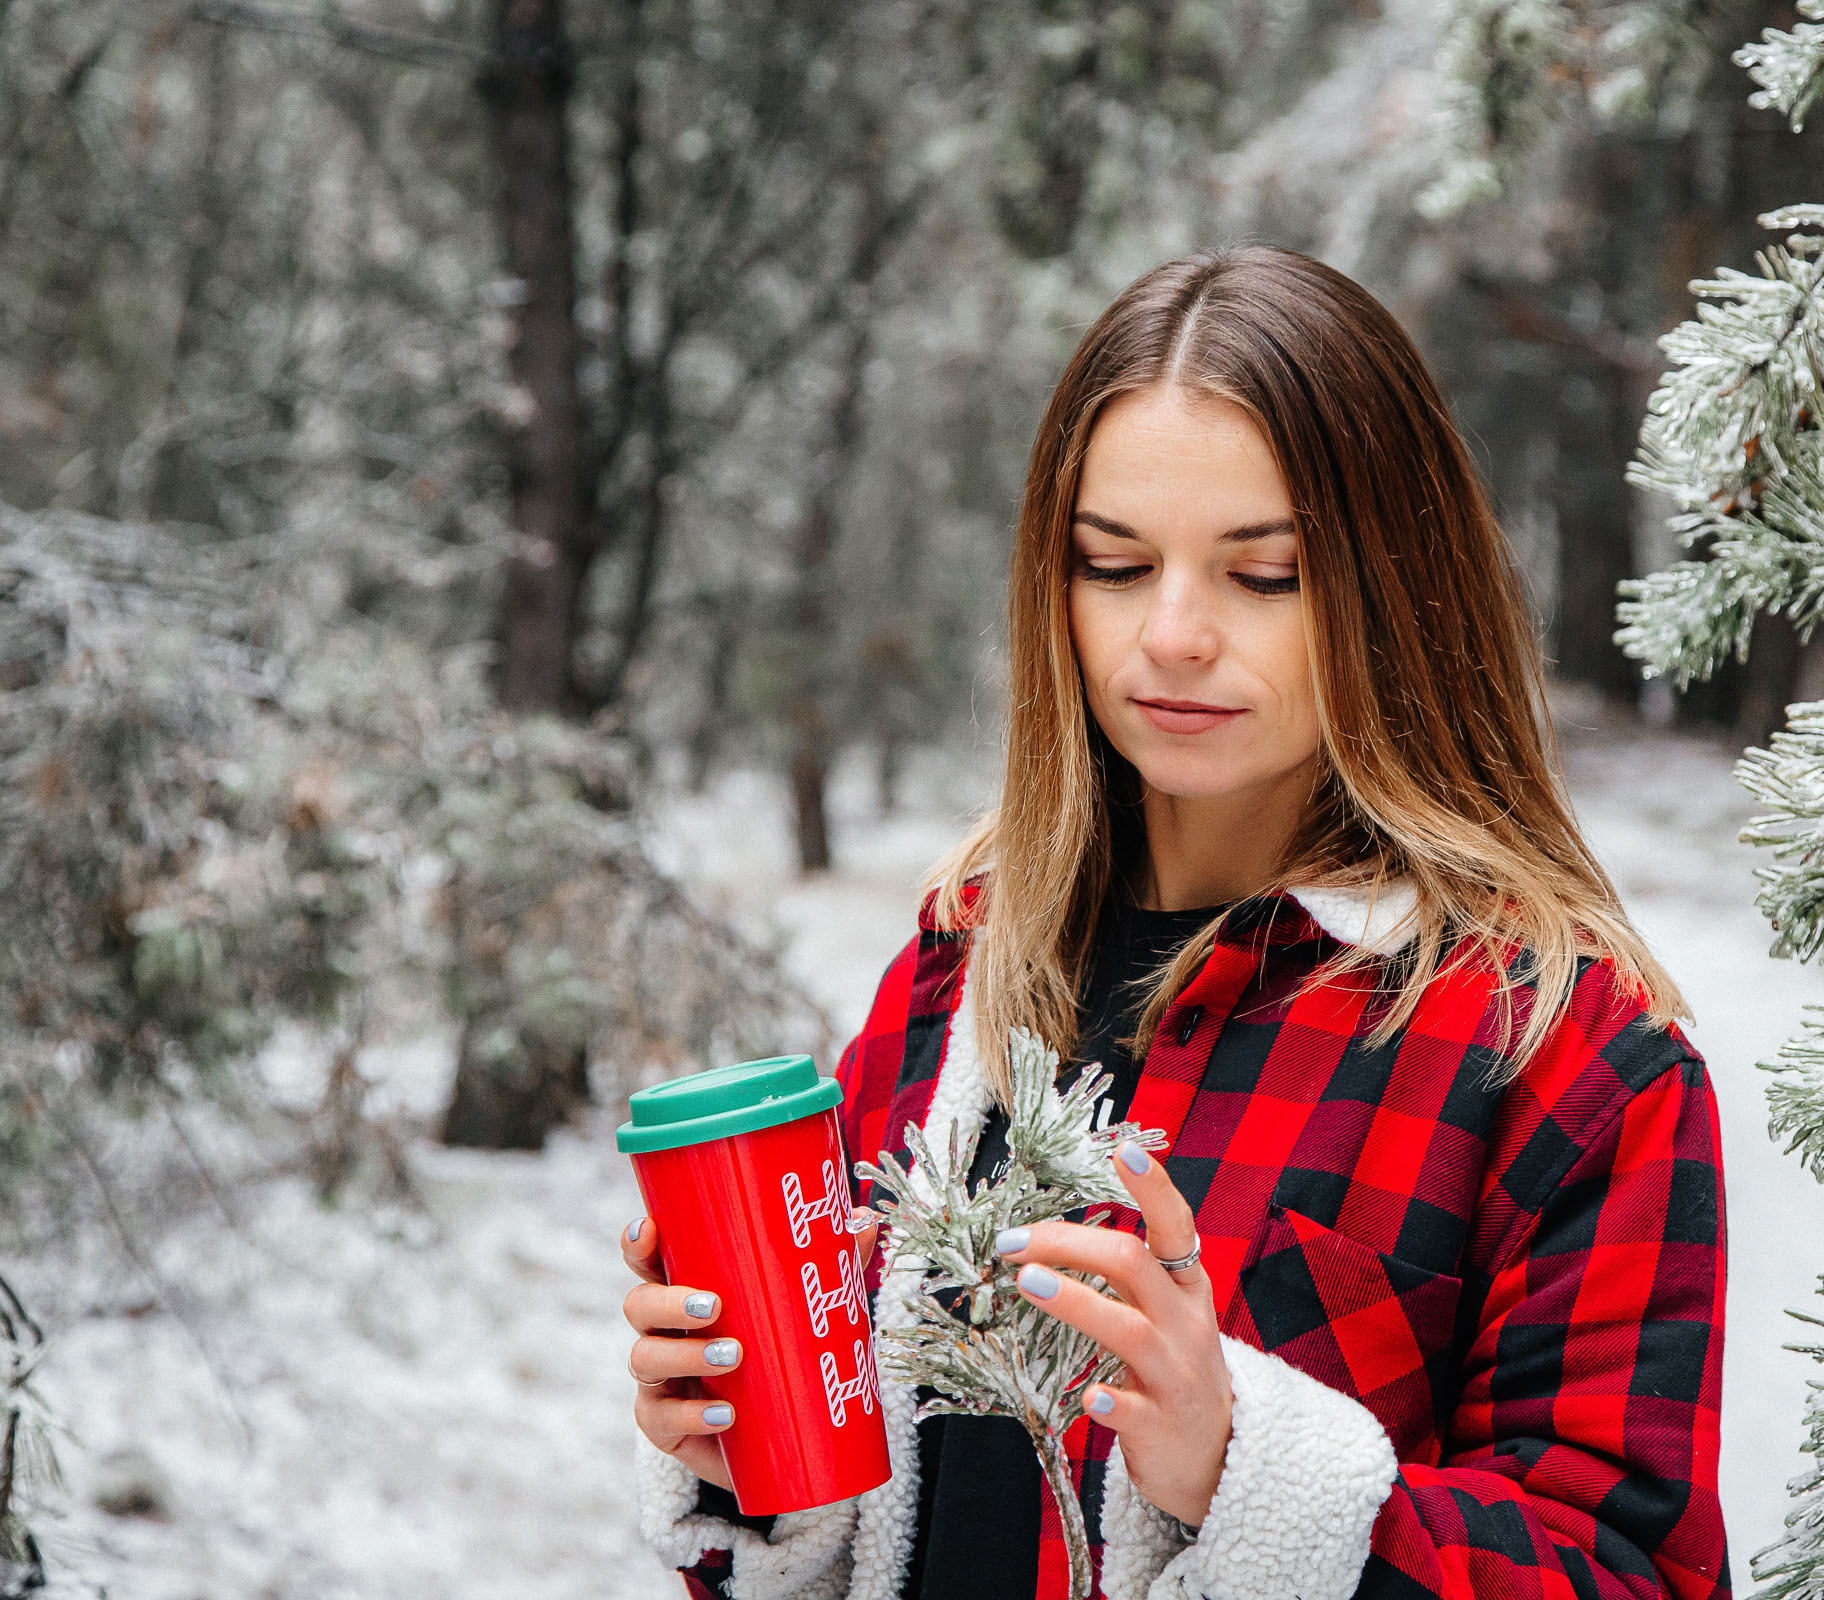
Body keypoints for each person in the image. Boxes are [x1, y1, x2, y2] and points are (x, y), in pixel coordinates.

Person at [619, 243, 1731, 1600]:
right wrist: (755, 1484)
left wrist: (1248, 1480)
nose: (1175, 635)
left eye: (1264, 575)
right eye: (1114, 564)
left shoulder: (1562, 1054)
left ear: (1397, 589)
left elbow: (1631, 1574)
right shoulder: (968, 961)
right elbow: (881, 1523)